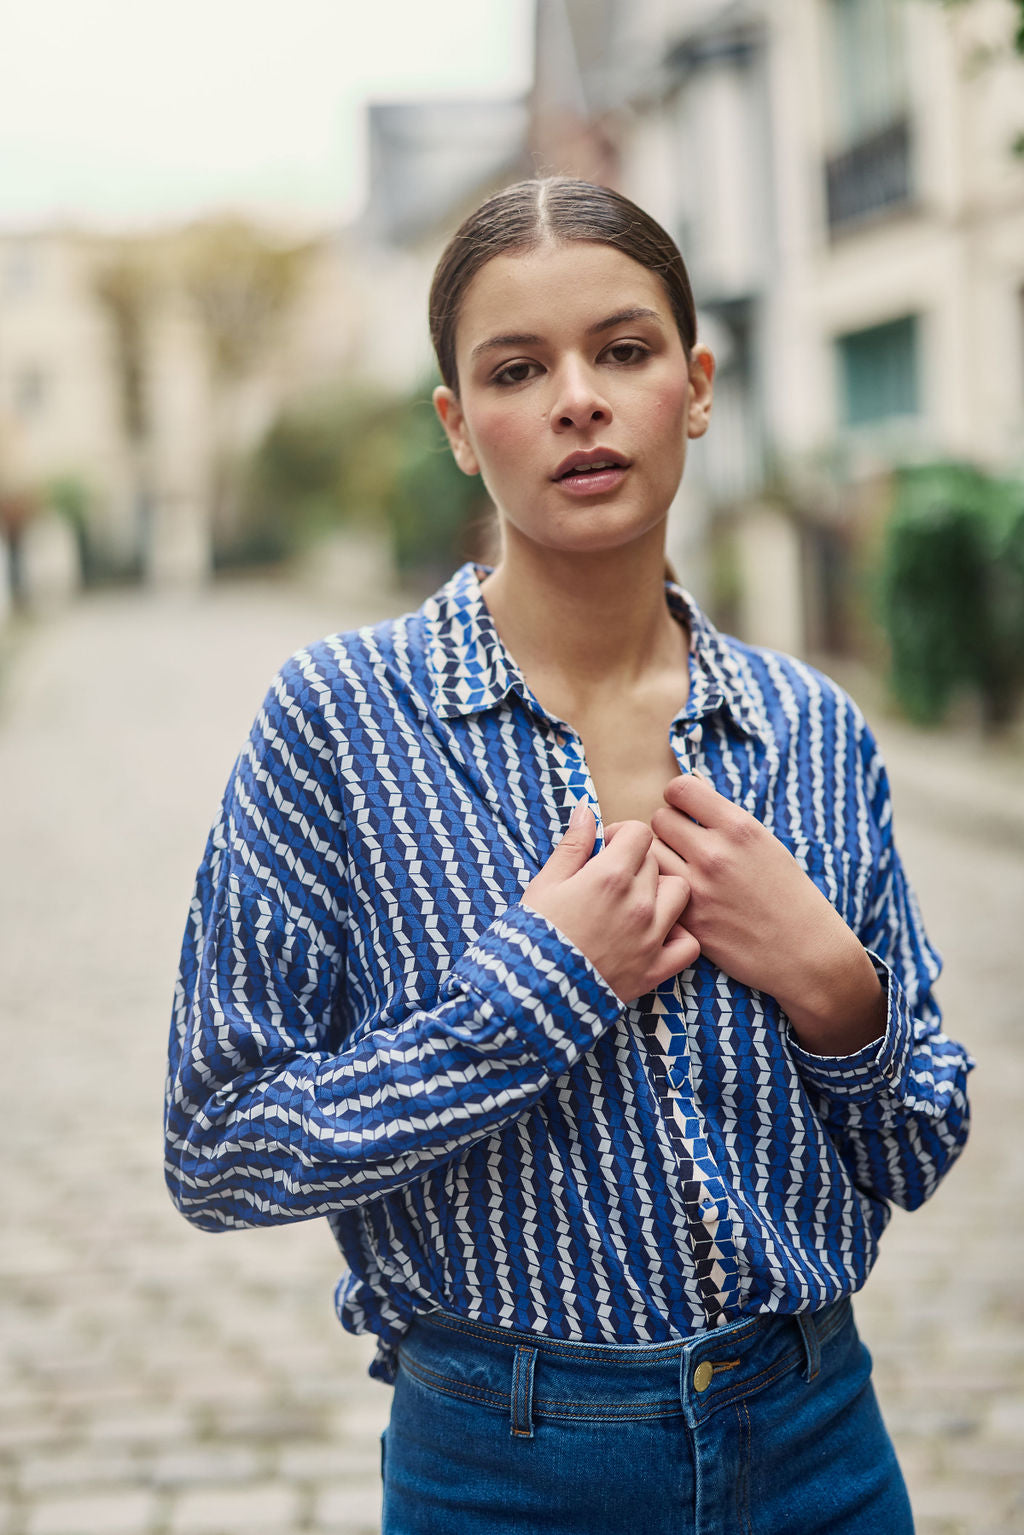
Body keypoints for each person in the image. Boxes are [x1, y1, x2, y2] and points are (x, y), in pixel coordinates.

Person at [165, 177, 973, 1534]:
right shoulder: (338, 724)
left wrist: (839, 992)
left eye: (624, 350)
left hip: (818, 1444)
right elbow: (221, 1145)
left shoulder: (812, 732)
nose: (578, 401)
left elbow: (919, 1142)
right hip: (504, 1471)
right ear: (460, 428)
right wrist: (531, 998)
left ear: (697, 387)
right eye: (518, 370)